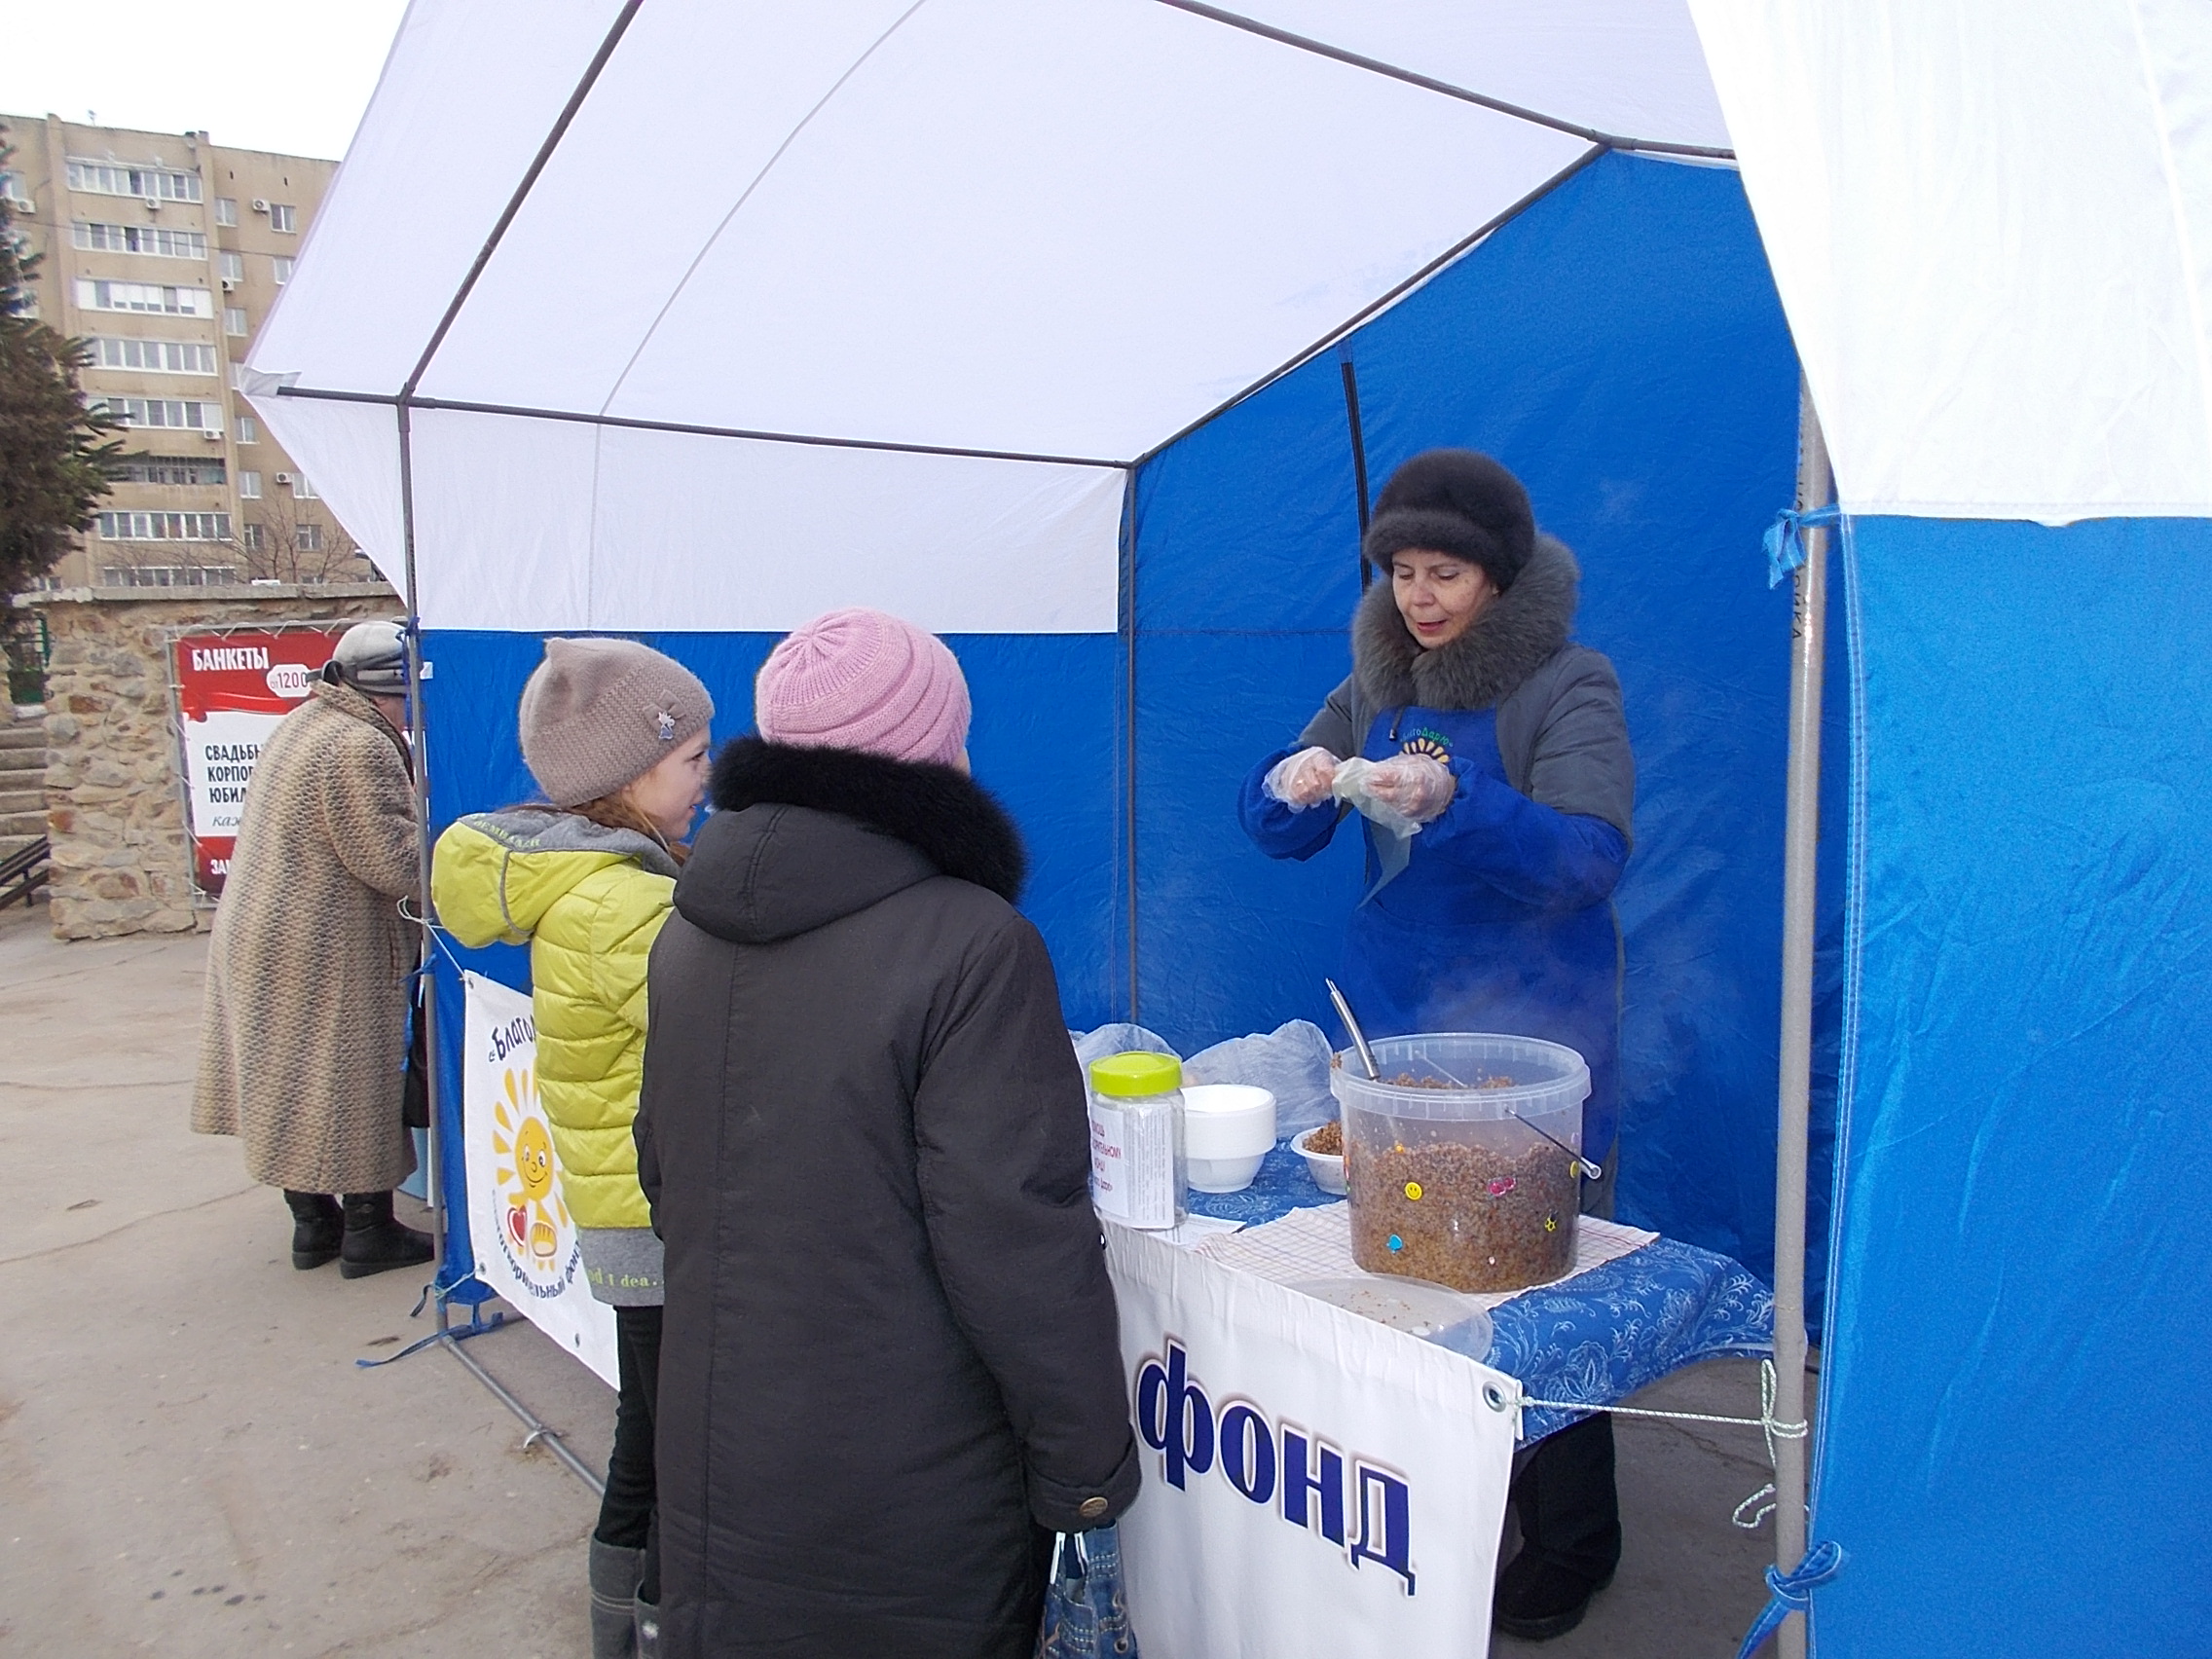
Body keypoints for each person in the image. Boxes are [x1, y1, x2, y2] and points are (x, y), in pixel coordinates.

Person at [635, 607, 1138, 1659]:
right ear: (929, 753)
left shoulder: (687, 925)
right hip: (909, 1490)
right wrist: (1085, 1467)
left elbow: (665, 1171)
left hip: (718, 1449)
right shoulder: (972, 942)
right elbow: (1016, 1238)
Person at [1238, 450, 1635, 1641]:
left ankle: (1571, 1538)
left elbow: (1588, 860)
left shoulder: (1570, 683)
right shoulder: (1375, 679)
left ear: (1498, 580)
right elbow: (1273, 832)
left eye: (1444, 572)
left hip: (1535, 1044)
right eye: (1402, 570)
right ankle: (1440, 1499)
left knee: (1535, 1290)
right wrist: (1291, 781)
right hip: (1393, 1038)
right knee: (1406, 1271)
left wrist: (1453, 802)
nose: (1418, 594)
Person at [431, 637, 714, 1659]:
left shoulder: (608, 879)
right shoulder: (620, 903)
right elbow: (718, 1029)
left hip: (629, 1202)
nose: (708, 775)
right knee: (667, 1434)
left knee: (653, 1420)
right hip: (654, 1211)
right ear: (632, 775)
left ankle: (631, 1609)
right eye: (693, 759)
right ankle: (645, 1615)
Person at [193, 617, 432, 1278]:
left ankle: (313, 1225)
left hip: (264, 933)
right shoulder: (359, 743)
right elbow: (393, 862)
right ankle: (367, 1231)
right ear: (392, 690)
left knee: (285, 1082)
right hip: (322, 944)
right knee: (348, 1079)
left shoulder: (303, 723)